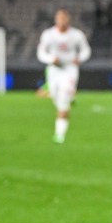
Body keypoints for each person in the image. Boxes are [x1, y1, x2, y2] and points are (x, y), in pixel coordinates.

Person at [36, 9, 91, 144]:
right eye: (59, 18)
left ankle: (59, 135)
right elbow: (41, 53)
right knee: (55, 95)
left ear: (68, 20)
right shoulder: (48, 34)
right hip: (54, 70)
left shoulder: (77, 35)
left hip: (70, 69)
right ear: (56, 20)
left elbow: (86, 50)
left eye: (64, 18)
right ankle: (69, 97)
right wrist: (50, 58)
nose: (61, 21)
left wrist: (79, 58)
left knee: (63, 99)